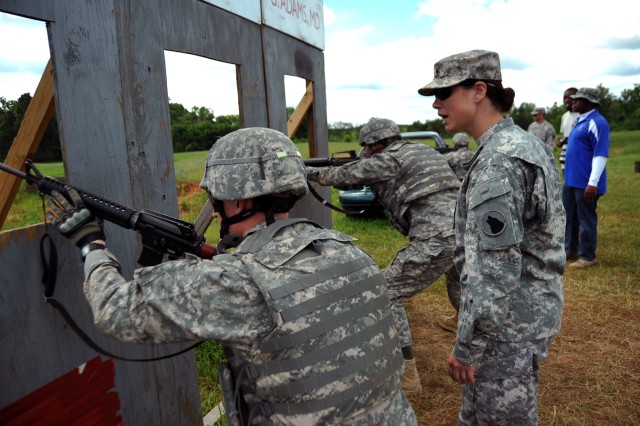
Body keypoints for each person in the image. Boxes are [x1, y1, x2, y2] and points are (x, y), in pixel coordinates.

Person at [44, 127, 417, 425]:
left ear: (237, 199)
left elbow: (115, 309)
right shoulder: (353, 252)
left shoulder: (241, 281)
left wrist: (90, 243)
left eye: (216, 200)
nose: (216, 211)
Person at [418, 49, 565, 424]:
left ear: (478, 90)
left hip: (505, 327)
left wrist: (469, 345)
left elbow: (495, 268)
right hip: (522, 315)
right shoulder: (520, 144)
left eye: (444, 93)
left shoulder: (498, 161)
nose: (436, 104)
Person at [306, 117, 462, 394]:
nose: (365, 152)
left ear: (377, 144)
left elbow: (340, 177)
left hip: (437, 236)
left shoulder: (388, 159)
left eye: (367, 147)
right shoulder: (422, 150)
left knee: (386, 290)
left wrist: (305, 172)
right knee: (457, 275)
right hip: (464, 230)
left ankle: (406, 373)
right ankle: (465, 324)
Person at [563, 87, 610, 269]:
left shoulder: (598, 122)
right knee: (569, 217)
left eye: (577, 99)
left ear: (589, 102)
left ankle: (587, 256)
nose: (572, 102)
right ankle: (570, 250)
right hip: (571, 180)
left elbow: (601, 154)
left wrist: (593, 183)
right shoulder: (580, 121)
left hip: (585, 182)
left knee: (586, 218)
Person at [556, 87, 579, 170]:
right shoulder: (564, 116)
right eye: (564, 98)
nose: (566, 100)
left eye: (569, 97)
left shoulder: (581, 116)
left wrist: (569, 140)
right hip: (565, 160)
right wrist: (560, 142)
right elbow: (564, 135)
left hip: (578, 159)